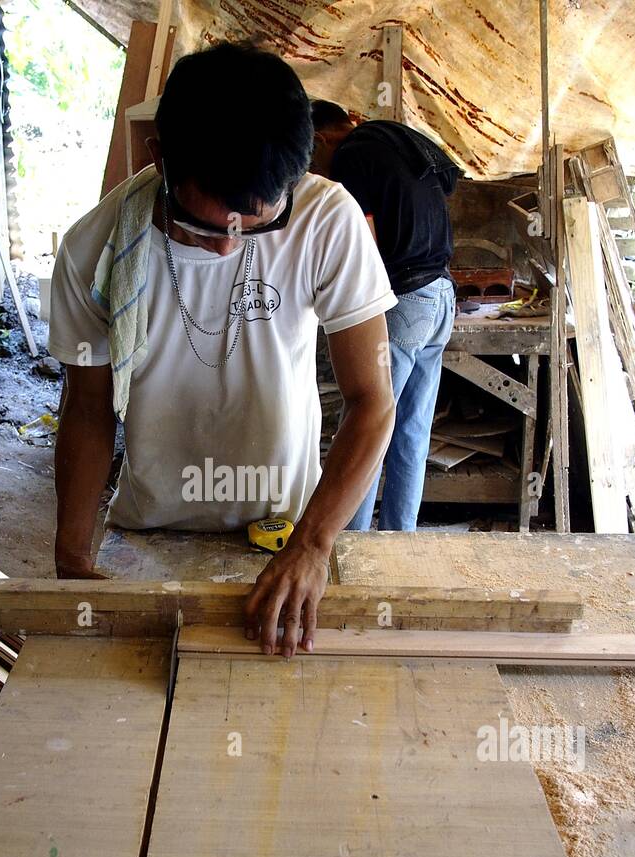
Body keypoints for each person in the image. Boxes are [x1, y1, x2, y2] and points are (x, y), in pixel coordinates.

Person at [49, 43, 397, 658]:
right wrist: (73, 561)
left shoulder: (325, 220)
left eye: (256, 225)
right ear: (161, 161)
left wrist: (314, 546)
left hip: (284, 528)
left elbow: (372, 401)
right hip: (152, 527)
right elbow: (88, 408)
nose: (227, 248)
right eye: (208, 226)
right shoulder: (94, 251)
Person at [309, 101, 460, 531]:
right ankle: (399, 541)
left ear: (321, 139)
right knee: (410, 431)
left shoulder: (353, 156)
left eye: (312, 158)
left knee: (366, 422)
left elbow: (364, 246)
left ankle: (349, 542)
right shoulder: (395, 139)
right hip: (441, 295)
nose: (318, 170)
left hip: (406, 300)